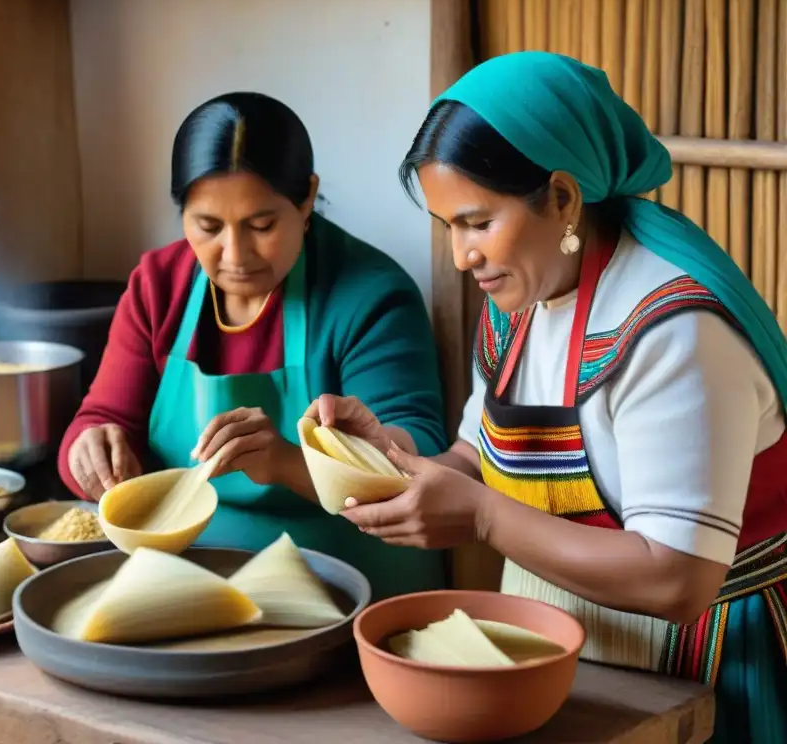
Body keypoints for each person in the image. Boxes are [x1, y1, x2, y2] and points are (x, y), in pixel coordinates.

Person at [310, 52, 787, 741]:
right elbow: (478, 457)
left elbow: (677, 580)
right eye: (449, 226)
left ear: (562, 198)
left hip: (699, 666)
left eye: (477, 222)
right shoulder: (524, 293)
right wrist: (383, 461)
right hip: (560, 647)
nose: (459, 256)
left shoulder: (674, 331)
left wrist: (483, 520)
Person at [58, 91, 448, 599]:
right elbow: (100, 420)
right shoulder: (160, 286)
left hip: (351, 589)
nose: (235, 255)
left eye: (261, 226)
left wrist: (286, 463)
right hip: (188, 587)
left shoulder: (370, 294)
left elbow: (418, 461)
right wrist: (91, 450)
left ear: (307, 197)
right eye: (208, 226)